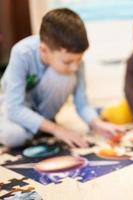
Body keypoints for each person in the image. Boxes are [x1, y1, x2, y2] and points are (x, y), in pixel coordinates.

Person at [0, 8, 122, 149]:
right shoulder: (22, 53)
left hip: (42, 112)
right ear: (44, 50)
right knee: (14, 136)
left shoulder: (73, 58)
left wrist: (96, 124)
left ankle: (40, 127)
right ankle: (39, 128)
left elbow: (82, 103)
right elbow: (15, 109)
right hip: (11, 106)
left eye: (79, 60)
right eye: (68, 62)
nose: (75, 67)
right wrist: (57, 129)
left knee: (65, 77)